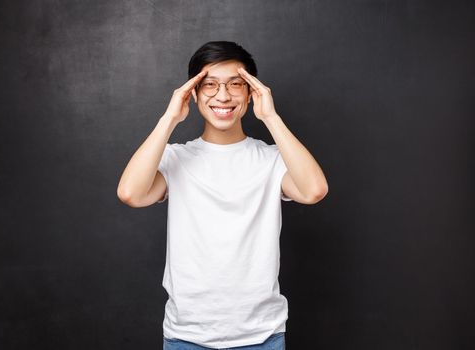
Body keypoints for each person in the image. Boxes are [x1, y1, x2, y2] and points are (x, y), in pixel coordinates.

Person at [117, 41, 328, 349]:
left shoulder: (271, 159)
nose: (223, 95)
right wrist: (169, 119)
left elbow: (314, 190)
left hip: (262, 336)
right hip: (187, 336)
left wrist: (270, 116)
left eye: (236, 84)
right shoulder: (176, 158)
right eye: (210, 85)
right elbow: (130, 193)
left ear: (251, 92)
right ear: (194, 93)